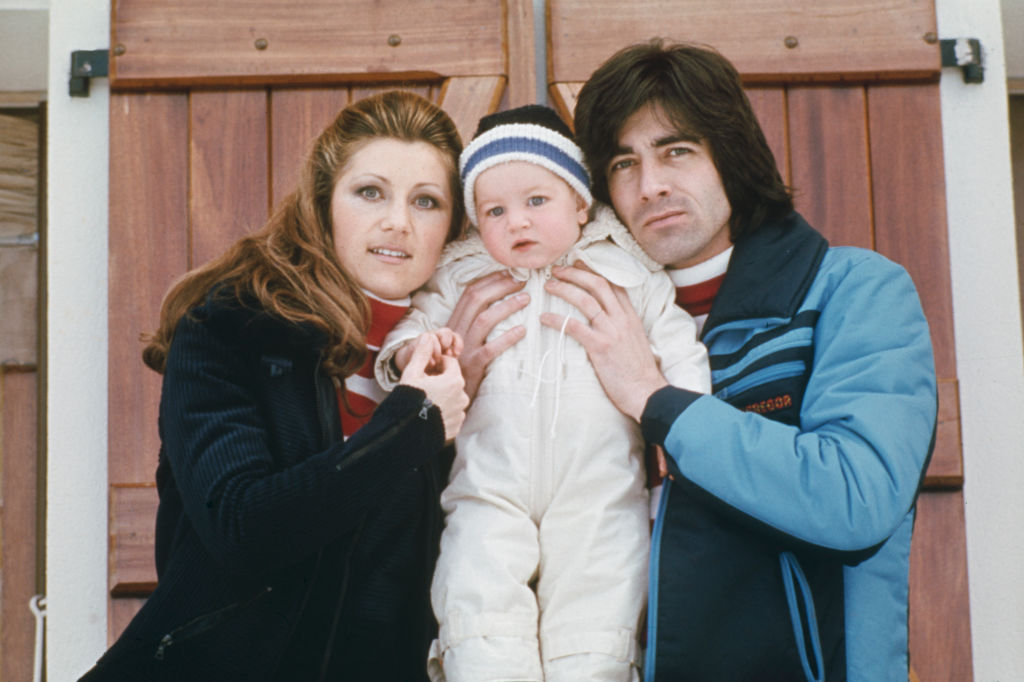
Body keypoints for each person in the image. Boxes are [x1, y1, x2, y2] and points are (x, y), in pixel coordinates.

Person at [538, 41, 938, 681]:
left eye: (677, 151)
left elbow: (855, 498)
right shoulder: (591, 318)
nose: (652, 186)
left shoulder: (852, 289)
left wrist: (657, 400)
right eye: (623, 163)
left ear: (731, 154)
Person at [78, 90, 470, 682]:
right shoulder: (230, 327)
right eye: (370, 192)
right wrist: (415, 424)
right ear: (323, 203)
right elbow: (243, 529)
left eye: (427, 201)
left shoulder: (455, 372)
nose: (398, 221)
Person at [375, 105, 710, 682]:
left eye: (537, 201)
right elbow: (415, 325)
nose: (517, 223)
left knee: (599, 592)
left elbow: (678, 342)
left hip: (599, 480)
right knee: (476, 581)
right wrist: (413, 354)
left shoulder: (626, 269)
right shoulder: (461, 276)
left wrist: (682, 427)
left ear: (581, 205)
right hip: (489, 478)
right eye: (495, 211)